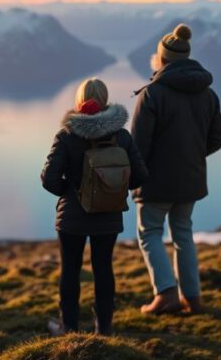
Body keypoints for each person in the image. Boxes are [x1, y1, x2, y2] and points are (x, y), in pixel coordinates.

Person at [132, 23, 221, 314]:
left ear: (162, 59)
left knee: (149, 232)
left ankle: (166, 294)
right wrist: (192, 155)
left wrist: (135, 177)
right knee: (183, 235)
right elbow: (217, 138)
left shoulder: (152, 94)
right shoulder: (208, 94)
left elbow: (138, 145)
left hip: (156, 180)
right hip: (191, 179)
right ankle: (193, 297)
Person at [41, 78, 147, 335]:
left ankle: (69, 328)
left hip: (72, 216)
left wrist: (72, 192)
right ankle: (105, 329)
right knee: (103, 269)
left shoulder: (67, 135)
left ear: (79, 100)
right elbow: (140, 176)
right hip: (107, 214)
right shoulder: (120, 136)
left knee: (70, 270)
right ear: (106, 99)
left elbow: (49, 178)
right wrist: (113, 187)